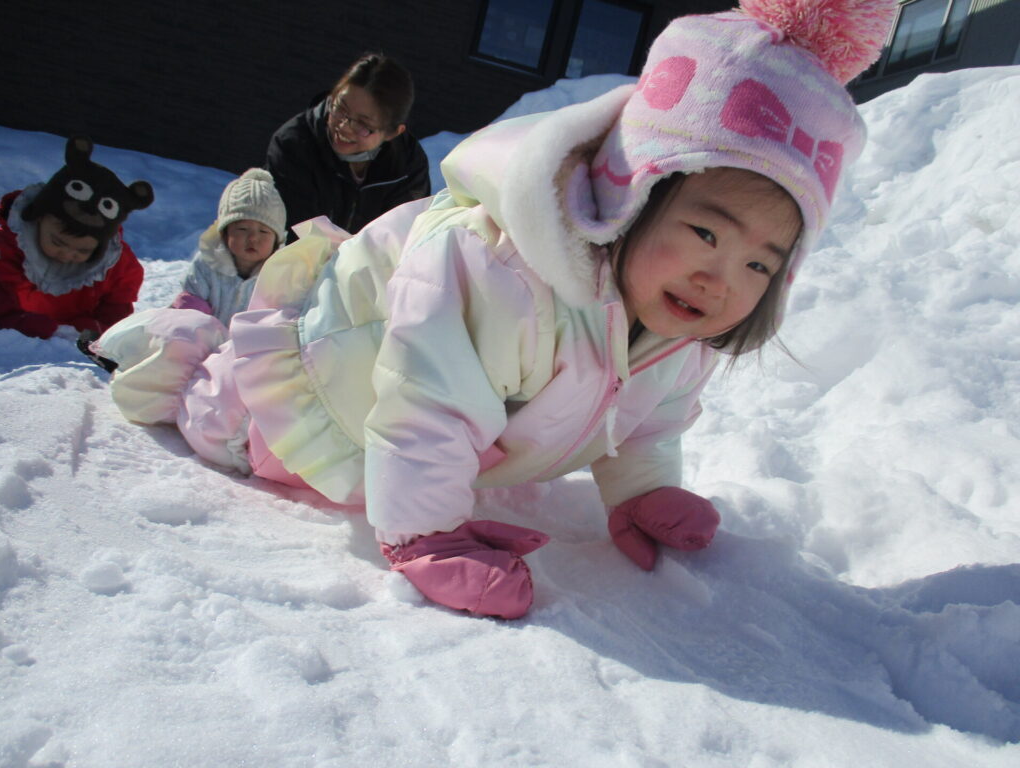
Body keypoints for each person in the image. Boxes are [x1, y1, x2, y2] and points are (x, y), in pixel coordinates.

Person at [93, 0, 897, 619]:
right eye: (703, 231)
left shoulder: (677, 320)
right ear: (632, 190)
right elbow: (425, 405)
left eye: (761, 261)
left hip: (418, 426)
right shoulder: (501, 271)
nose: (721, 276)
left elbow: (642, 417)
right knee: (213, 404)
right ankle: (181, 339)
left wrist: (640, 489)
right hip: (322, 398)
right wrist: (426, 534)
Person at [0, 135, 153, 339]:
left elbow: (117, 306)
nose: (67, 253)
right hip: (19, 331)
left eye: (83, 250)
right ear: (39, 219)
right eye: (58, 242)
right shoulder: (9, 246)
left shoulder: (115, 265)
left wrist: (99, 327)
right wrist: (18, 321)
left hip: (71, 338)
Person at [264, 52, 431, 238]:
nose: (344, 127)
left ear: (392, 133)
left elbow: (400, 239)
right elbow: (296, 236)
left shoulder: (408, 166)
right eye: (340, 109)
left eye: (363, 124)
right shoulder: (294, 145)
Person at [170, 168, 287, 327]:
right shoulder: (208, 264)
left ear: (276, 241)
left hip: (255, 346)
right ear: (224, 233)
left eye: (264, 231)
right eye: (242, 229)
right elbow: (190, 308)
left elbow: (286, 315)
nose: (253, 238)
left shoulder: (282, 274)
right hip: (206, 342)